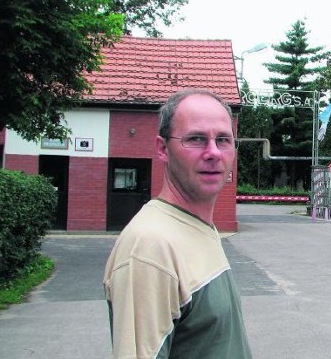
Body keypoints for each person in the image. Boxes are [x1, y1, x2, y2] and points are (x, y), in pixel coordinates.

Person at [103, 89, 252, 358]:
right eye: (196, 139)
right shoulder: (150, 247)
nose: (213, 152)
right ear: (163, 149)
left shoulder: (198, 227)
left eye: (223, 140)